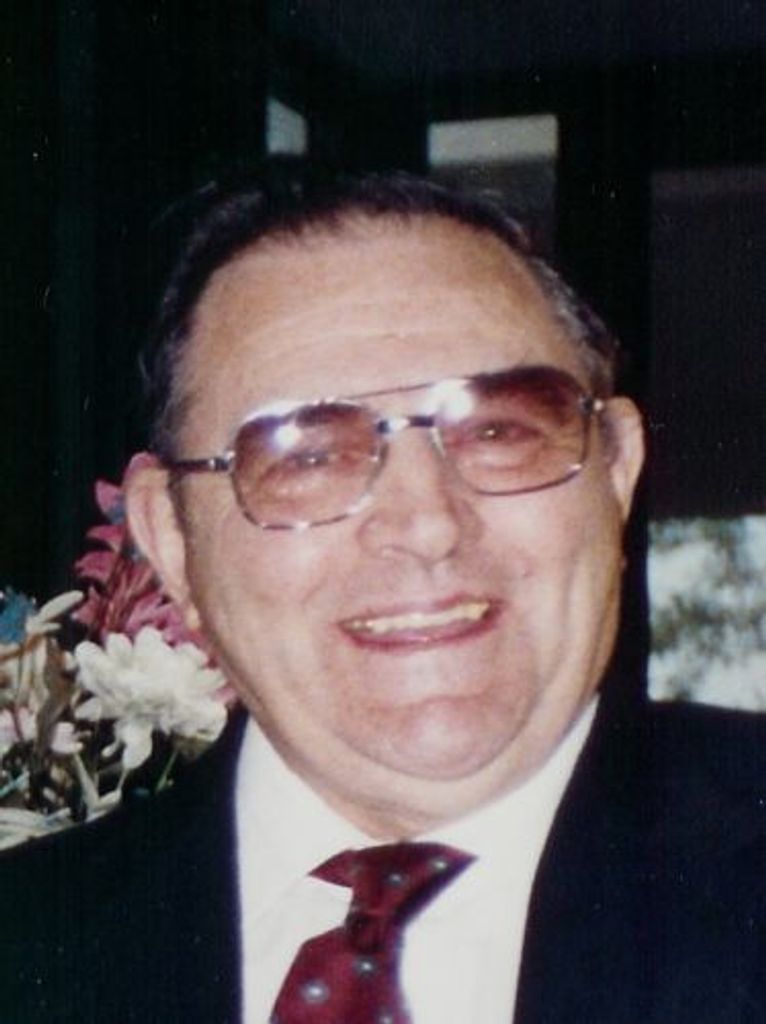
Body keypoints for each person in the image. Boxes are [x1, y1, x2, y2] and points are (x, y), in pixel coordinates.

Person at [0, 165, 763, 1023]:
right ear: (171, 537)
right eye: (308, 456)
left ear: (616, 473)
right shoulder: (29, 949)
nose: (427, 524)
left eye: (499, 431)